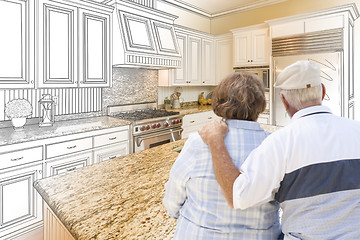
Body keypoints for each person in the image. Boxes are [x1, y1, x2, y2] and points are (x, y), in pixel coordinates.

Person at [198, 60, 360, 239]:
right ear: (322, 91)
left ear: (284, 100)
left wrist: (215, 141)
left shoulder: (279, 143)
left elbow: (238, 196)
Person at [163, 72, 282, 239]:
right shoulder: (276, 146)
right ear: (260, 104)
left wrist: (178, 214)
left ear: (219, 102)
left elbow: (174, 195)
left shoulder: (198, 142)